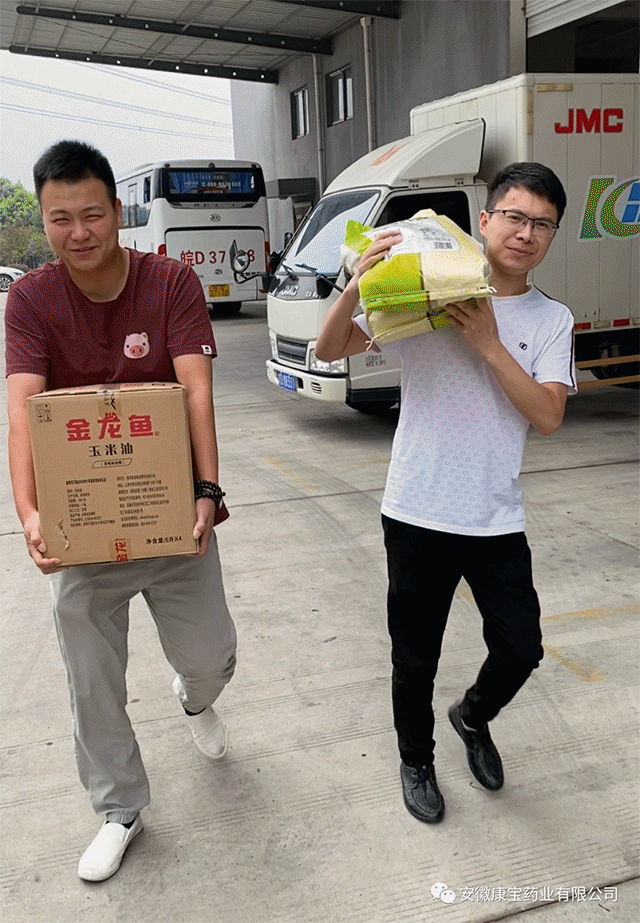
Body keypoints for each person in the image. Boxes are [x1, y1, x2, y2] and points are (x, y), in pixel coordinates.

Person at [315, 162, 576, 824]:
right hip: (416, 509)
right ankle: (416, 760)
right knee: (414, 657)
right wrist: (356, 282)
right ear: (484, 220)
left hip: (494, 515)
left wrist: (490, 344)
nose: (525, 233)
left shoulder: (551, 319)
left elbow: (547, 416)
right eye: (514, 216)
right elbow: (330, 348)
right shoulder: (430, 287)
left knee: (521, 647)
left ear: (552, 236)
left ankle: (473, 715)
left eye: (542, 224)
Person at [5, 141, 237, 880]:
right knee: (90, 679)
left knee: (212, 658)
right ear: (43, 220)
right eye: (60, 218)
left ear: (117, 210)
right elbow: (23, 414)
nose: (79, 232)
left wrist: (207, 490)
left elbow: (195, 392)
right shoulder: (31, 299)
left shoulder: (169, 282)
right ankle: (120, 808)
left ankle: (195, 701)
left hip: (169, 515)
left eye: (93, 214)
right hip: (83, 529)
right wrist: (30, 513)